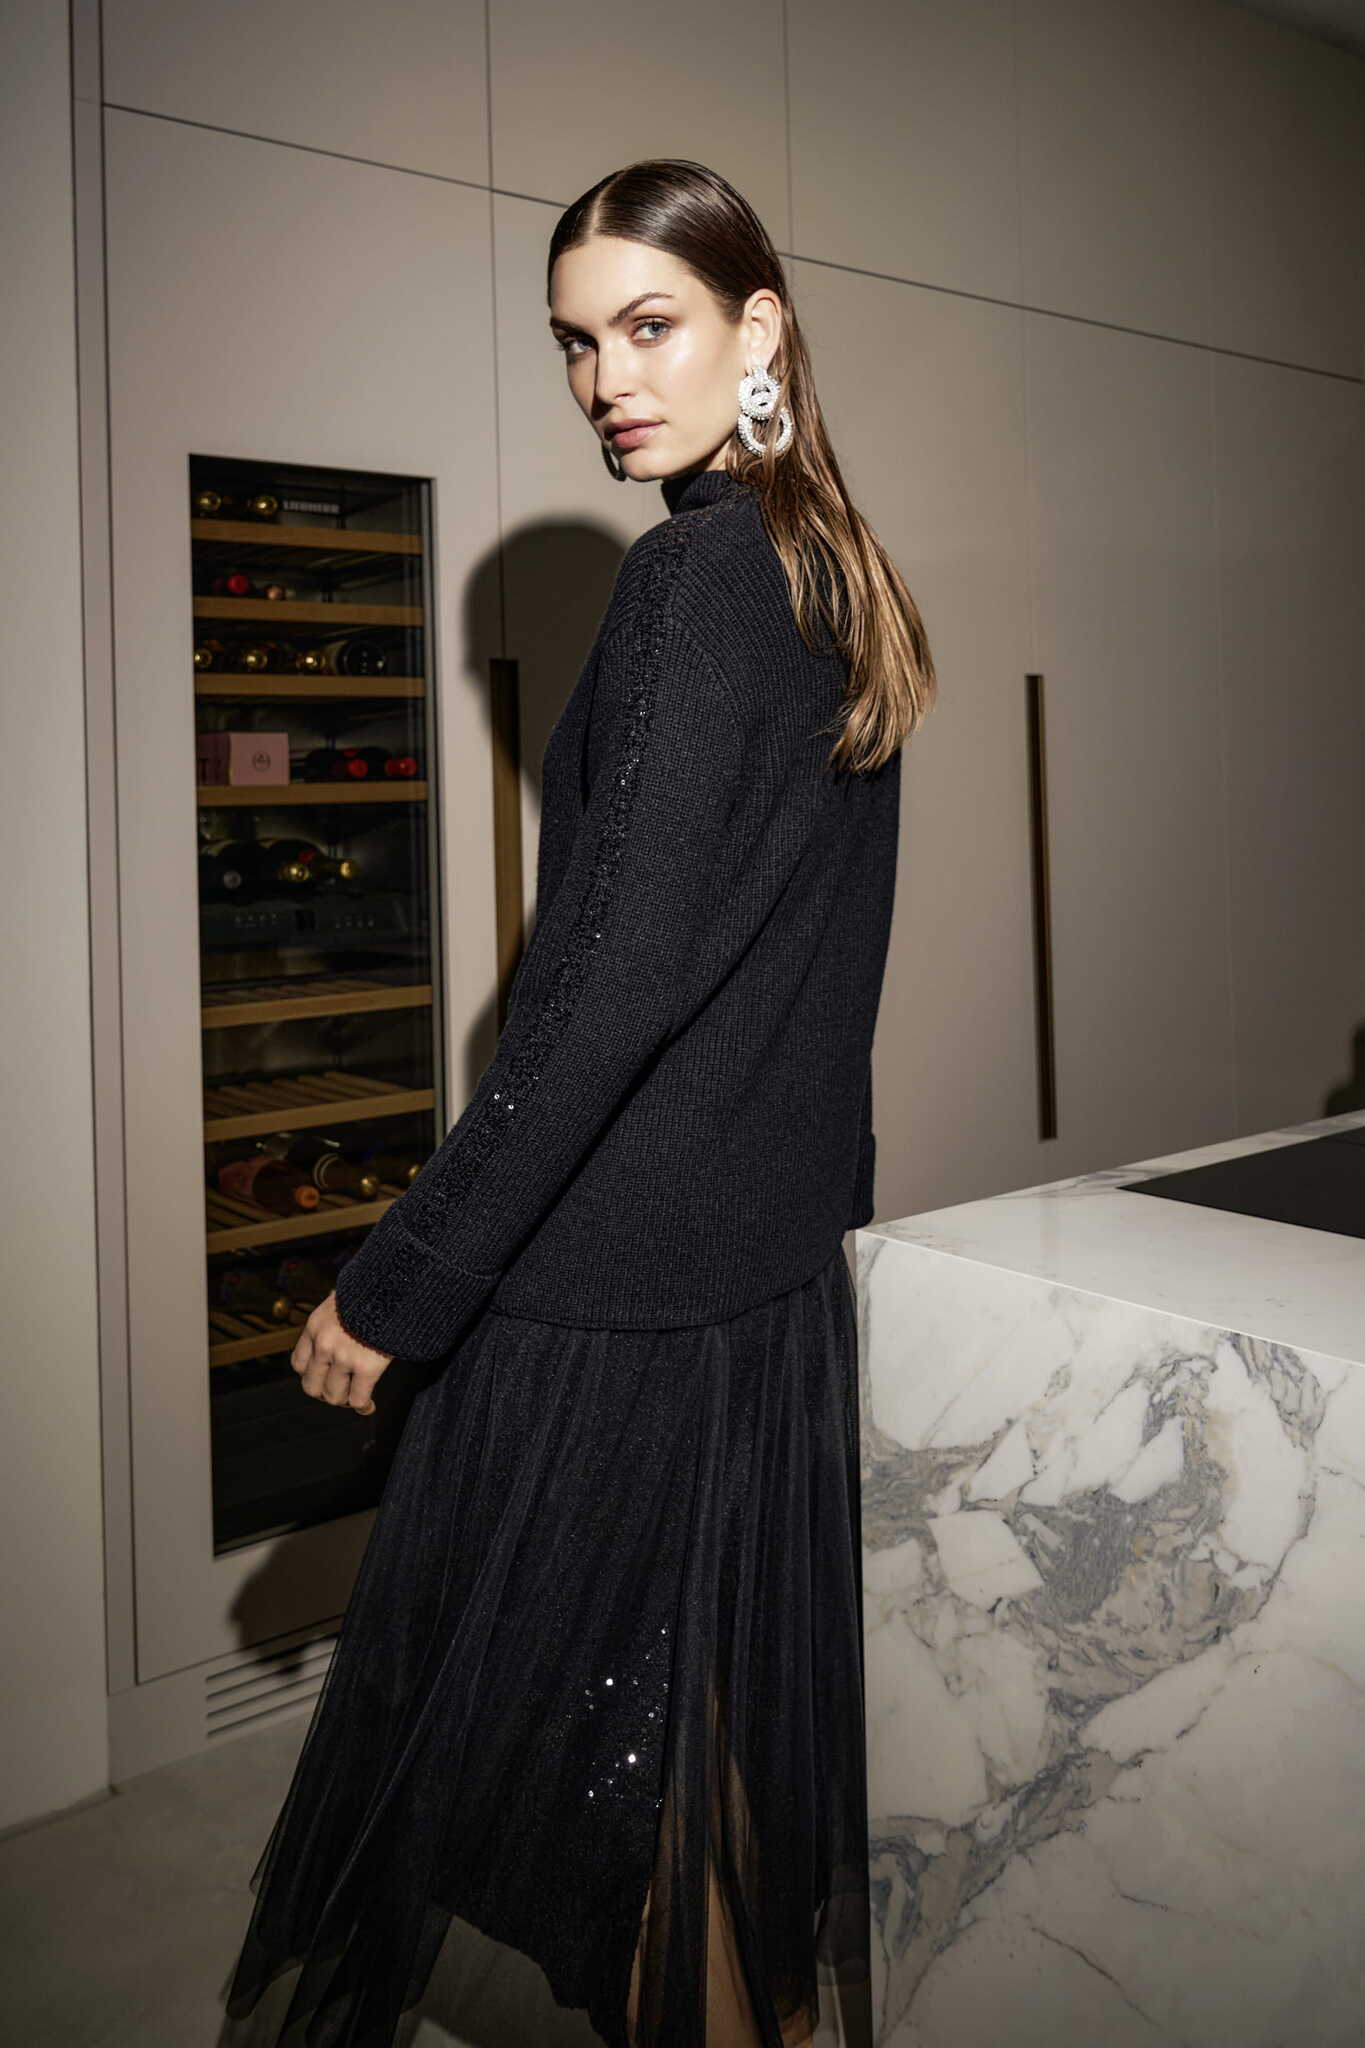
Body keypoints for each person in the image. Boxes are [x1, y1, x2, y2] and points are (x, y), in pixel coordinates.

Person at [222, 157, 935, 2048]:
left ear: (757, 327)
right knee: (701, 1770)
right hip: (760, 1283)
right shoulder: (830, 569)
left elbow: (606, 988)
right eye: (573, 344)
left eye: (648, 326)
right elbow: (803, 980)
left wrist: (405, 1278)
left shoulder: (693, 577)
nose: (606, 381)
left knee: (595, 1807)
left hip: (618, 1289)